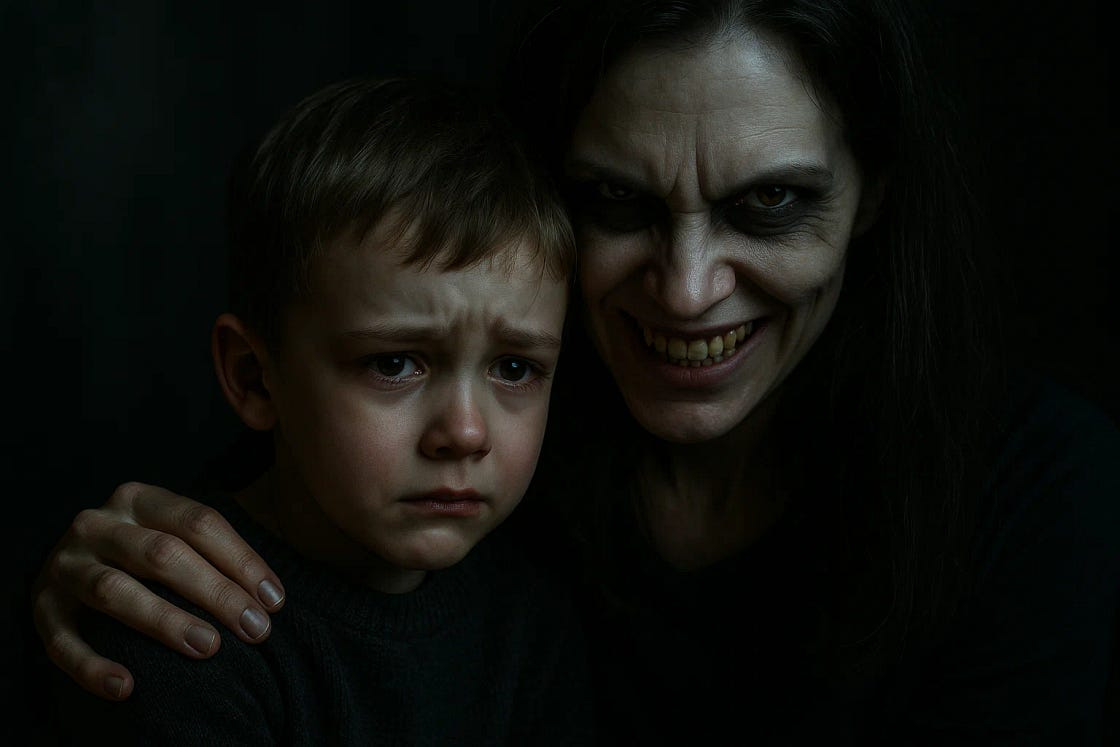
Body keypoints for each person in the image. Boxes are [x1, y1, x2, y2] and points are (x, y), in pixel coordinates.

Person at [33, 0, 1120, 744]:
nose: (687, 290)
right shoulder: (493, 474)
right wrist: (123, 562)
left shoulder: (1032, 492)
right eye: (618, 204)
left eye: (770, 203)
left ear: (872, 194)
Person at [47, 74, 592, 744]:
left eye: (515, 368)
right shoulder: (180, 635)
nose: (466, 432)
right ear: (254, 377)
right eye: (393, 363)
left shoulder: (534, 624)